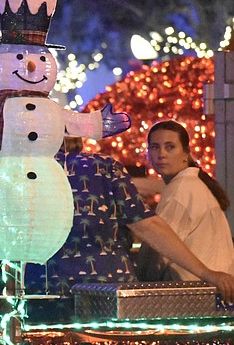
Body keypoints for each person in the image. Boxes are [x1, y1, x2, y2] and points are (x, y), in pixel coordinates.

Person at [25, 136, 234, 321]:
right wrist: (206, 273)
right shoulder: (103, 167)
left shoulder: (27, 173)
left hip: (42, 289)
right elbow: (148, 225)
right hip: (106, 290)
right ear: (79, 138)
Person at [144, 120, 234, 284]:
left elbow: (159, 248)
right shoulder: (193, 184)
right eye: (155, 147)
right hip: (213, 289)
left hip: (195, 291)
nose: (161, 154)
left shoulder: (182, 188)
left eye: (170, 147)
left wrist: (140, 281)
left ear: (186, 154)